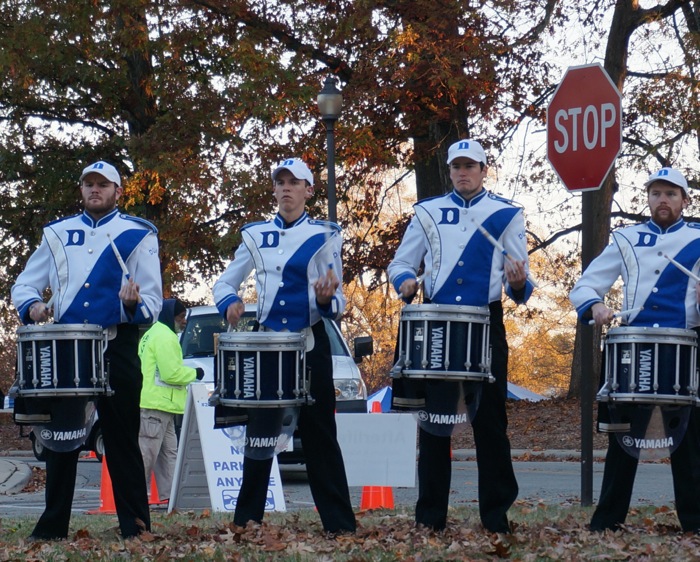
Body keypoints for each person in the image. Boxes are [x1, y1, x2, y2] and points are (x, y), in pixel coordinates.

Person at [388, 139, 534, 533]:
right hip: (436, 321)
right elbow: (401, 263)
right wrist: (404, 282)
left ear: (484, 170)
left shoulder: (506, 214)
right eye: (457, 167)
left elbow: (521, 284)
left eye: (471, 166)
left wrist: (519, 283)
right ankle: (430, 516)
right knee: (434, 422)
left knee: (490, 423)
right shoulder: (427, 212)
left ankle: (495, 515)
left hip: (486, 321)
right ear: (450, 171)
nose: (463, 173)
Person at [11, 160, 162, 540]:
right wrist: (32, 306)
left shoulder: (139, 233)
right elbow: (25, 284)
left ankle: (135, 526)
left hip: (117, 343)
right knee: (62, 440)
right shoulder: (57, 234)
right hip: (66, 346)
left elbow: (154, 301)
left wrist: (131, 304)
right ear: (82, 189)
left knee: (123, 437)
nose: (95, 189)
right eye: (89, 184)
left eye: (103, 184)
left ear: (118, 190)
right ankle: (52, 527)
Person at [212, 157, 356, 534]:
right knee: (260, 435)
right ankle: (246, 521)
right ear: (274, 189)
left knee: (321, 435)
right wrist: (230, 304)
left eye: (295, 182)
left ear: (309, 191)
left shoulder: (326, 235)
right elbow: (225, 284)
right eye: (281, 182)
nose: (287, 188)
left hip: (311, 343)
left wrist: (325, 299)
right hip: (268, 346)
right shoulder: (254, 235)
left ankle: (339, 524)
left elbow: (337, 301)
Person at [570, 167, 700, 533]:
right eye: (656, 193)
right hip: (636, 349)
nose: (663, 200)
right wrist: (594, 305)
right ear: (648, 198)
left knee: (689, 441)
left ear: (684, 200)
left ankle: (695, 522)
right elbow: (585, 286)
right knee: (624, 439)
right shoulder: (626, 239)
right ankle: (608, 521)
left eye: (671, 194)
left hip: (685, 348)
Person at [138, 298, 204, 504]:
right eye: (181, 317)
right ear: (170, 317)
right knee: (147, 456)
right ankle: (136, 498)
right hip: (156, 405)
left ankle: (171, 499)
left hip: (158, 405)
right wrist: (195, 373)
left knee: (167, 455)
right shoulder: (166, 338)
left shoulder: (151, 334)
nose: (184, 321)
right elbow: (170, 374)